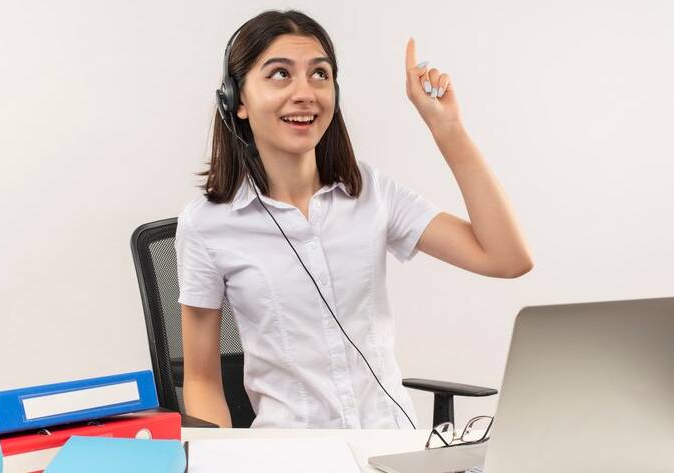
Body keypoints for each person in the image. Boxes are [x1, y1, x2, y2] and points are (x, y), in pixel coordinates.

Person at [175, 9, 533, 429]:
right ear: (236, 101)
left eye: (320, 74)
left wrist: (448, 128)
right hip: (290, 455)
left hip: (392, 448)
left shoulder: (371, 192)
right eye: (279, 75)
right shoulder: (206, 225)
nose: (305, 92)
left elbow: (507, 258)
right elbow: (200, 379)